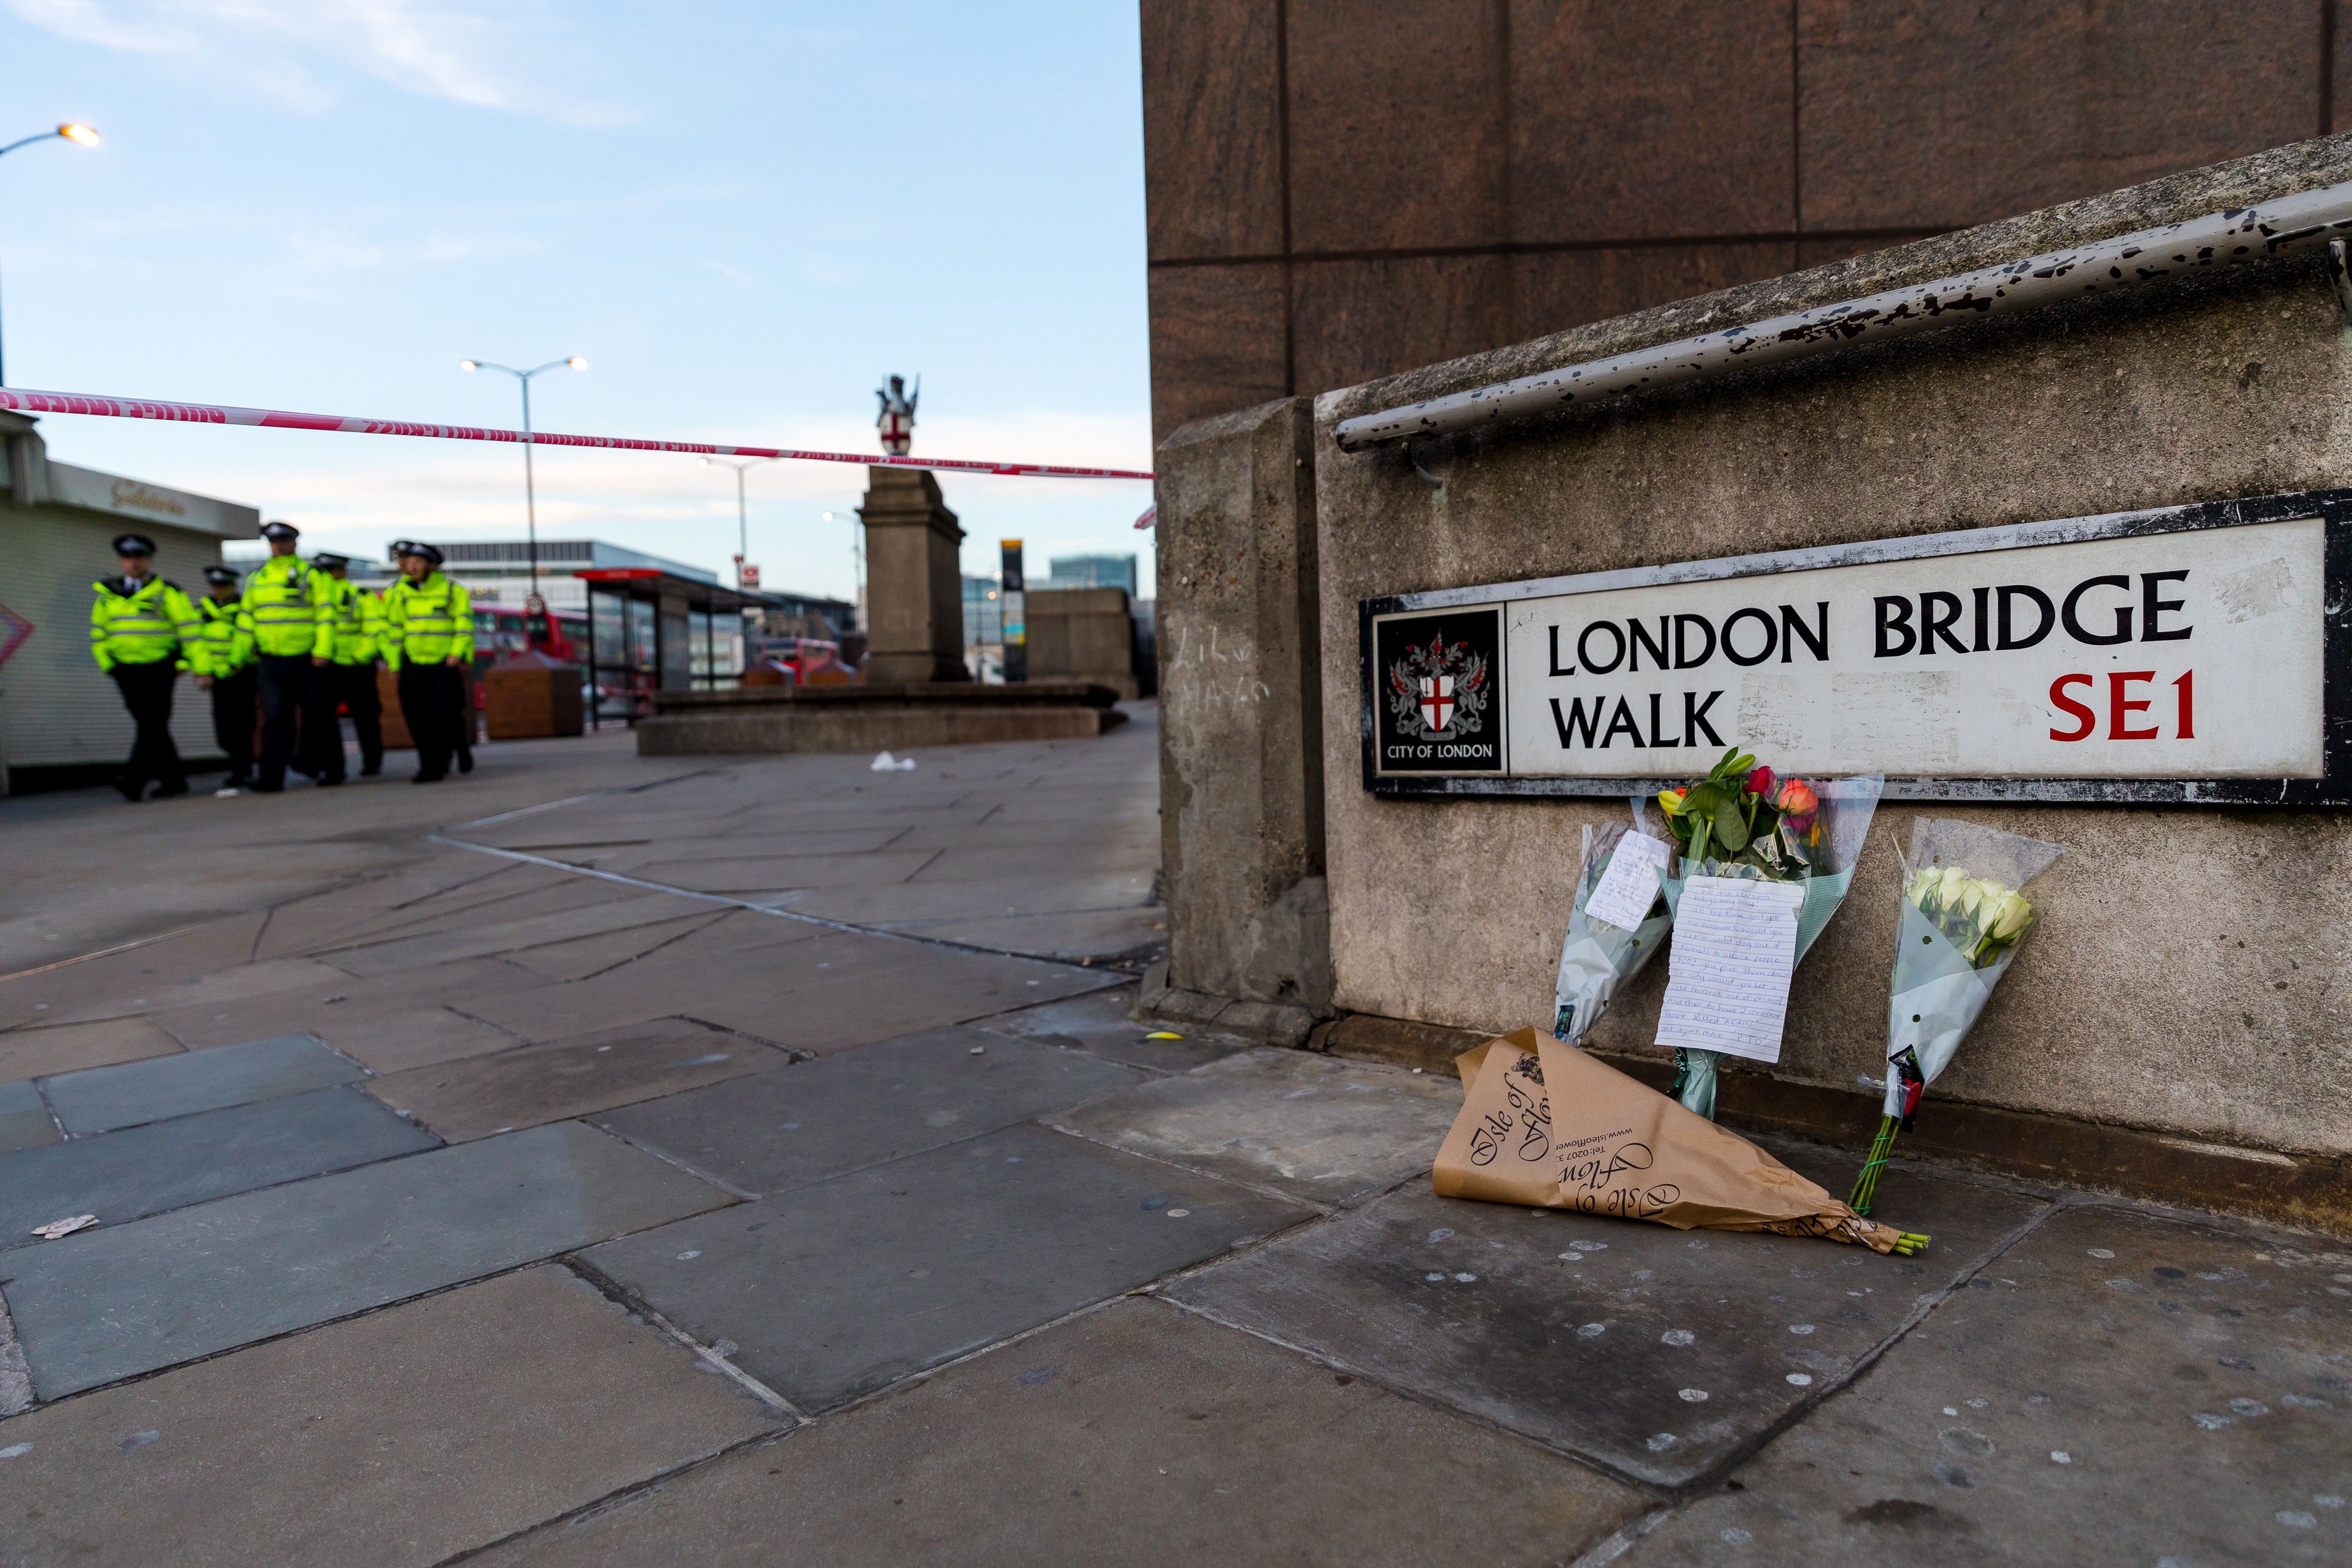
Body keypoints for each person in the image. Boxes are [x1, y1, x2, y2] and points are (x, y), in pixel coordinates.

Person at [89, 533, 199, 802]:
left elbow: (189, 630)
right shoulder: (107, 595)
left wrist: (187, 663)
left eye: (139, 557)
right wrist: (109, 665)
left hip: (160, 668)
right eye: (128, 558)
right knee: (152, 725)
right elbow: (98, 634)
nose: (133, 563)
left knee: (151, 723)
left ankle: (132, 779)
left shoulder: (167, 592)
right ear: (121, 562)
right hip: (126, 671)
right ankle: (174, 781)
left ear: (149, 560)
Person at [239, 520, 337, 793]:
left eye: (284, 541)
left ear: (294, 543)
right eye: (274, 542)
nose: (279, 546)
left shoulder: (312, 574)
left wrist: (323, 650)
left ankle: (330, 768)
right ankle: (271, 777)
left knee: (318, 716)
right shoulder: (257, 578)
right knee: (276, 718)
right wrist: (238, 657)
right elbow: (247, 620)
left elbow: (326, 614)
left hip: (308, 659)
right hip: (271, 661)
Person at [381, 541, 473, 783]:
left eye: (418, 561)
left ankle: (452, 753)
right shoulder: (401, 592)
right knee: (418, 716)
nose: (412, 565)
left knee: (445, 714)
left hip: (445, 664)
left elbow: (464, 626)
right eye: (410, 560)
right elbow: (395, 631)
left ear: (432, 565)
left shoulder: (453, 591)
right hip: (413, 664)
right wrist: (394, 664)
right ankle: (429, 765)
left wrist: (458, 654)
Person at [312, 553, 385, 777]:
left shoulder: (359, 595)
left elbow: (375, 629)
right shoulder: (315, 595)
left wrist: (360, 657)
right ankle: (347, 766)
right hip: (333, 664)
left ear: (341, 571)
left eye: (329, 572)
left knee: (362, 718)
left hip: (354, 667)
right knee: (359, 719)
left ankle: (360, 765)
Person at [191, 564, 257, 793]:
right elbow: (195, 643)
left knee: (244, 725)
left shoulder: (245, 610)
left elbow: (247, 639)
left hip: (243, 674)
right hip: (218, 677)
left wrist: (236, 664)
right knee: (225, 727)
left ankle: (243, 770)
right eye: (215, 586)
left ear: (233, 586)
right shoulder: (202, 611)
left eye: (223, 586)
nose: (218, 591)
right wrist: (201, 670)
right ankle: (238, 765)